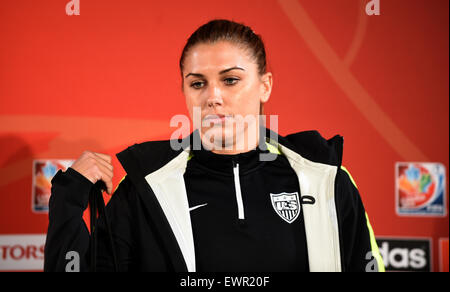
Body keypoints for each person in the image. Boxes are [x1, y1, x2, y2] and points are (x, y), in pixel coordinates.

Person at [44, 19, 384, 272]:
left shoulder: (325, 179)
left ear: (265, 85)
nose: (213, 97)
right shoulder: (143, 188)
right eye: (197, 83)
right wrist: (69, 197)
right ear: (184, 90)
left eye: (231, 80)